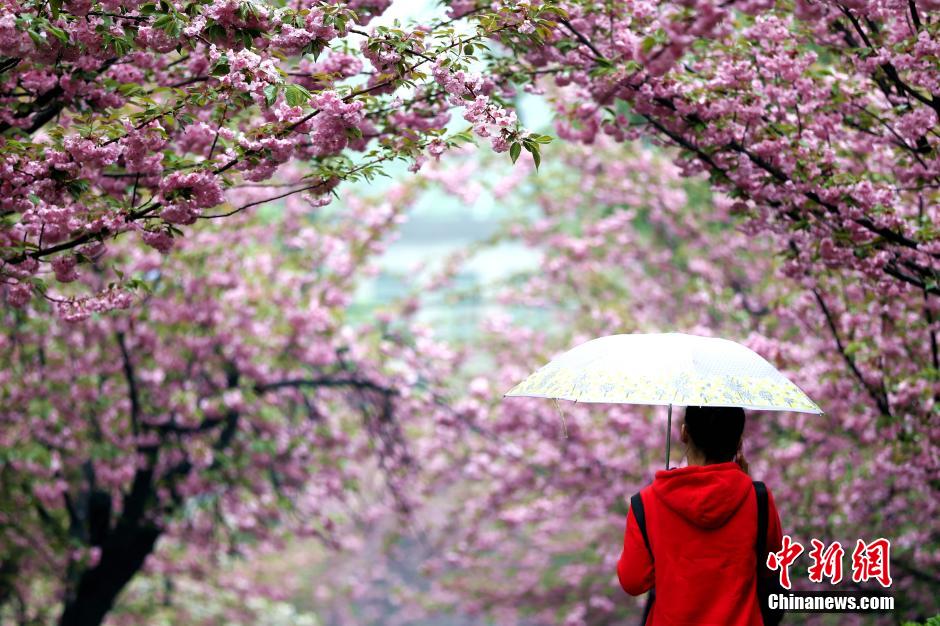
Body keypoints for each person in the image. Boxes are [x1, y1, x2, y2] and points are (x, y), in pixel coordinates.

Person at [616, 405, 784, 625]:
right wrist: (741, 485)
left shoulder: (646, 503)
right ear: (739, 441)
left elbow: (633, 582)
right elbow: (770, 569)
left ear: (684, 433)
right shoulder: (758, 499)